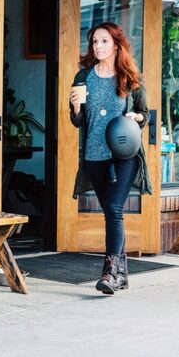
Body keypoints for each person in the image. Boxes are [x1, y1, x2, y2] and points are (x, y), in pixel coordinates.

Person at [69, 22, 152, 295]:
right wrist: (76, 105)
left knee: (115, 210)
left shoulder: (130, 78)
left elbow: (145, 114)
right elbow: (77, 121)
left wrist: (136, 117)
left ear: (116, 45)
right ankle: (122, 275)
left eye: (104, 41)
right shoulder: (83, 78)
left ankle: (108, 272)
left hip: (123, 155)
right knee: (111, 213)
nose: (98, 47)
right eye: (94, 42)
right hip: (94, 156)